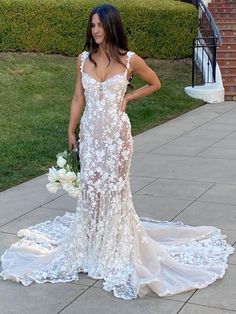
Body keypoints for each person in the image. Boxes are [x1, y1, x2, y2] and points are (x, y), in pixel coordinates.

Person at [0, 3, 234, 300]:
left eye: (100, 25)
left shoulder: (129, 60)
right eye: (92, 25)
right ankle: (93, 242)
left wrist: (129, 96)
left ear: (112, 26)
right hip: (91, 135)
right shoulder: (83, 59)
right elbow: (77, 97)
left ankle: (115, 246)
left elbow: (155, 83)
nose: (95, 30)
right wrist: (71, 130)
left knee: (114, 190)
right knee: (91, 190)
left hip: (117, 137)